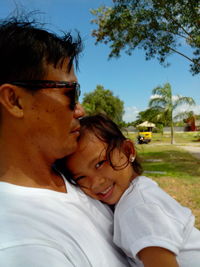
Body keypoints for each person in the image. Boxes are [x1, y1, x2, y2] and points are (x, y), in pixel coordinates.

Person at [0, 14, 130, 266]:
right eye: (70, 93)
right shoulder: (23, 247)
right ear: (15, 101)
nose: (80, 110)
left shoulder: (71, 174)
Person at [65, 114, 200, 267]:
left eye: (100, 164)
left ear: (128, 151)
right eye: (81, 177)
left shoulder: (137, 208)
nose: (95, 183)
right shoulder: (141, 191)